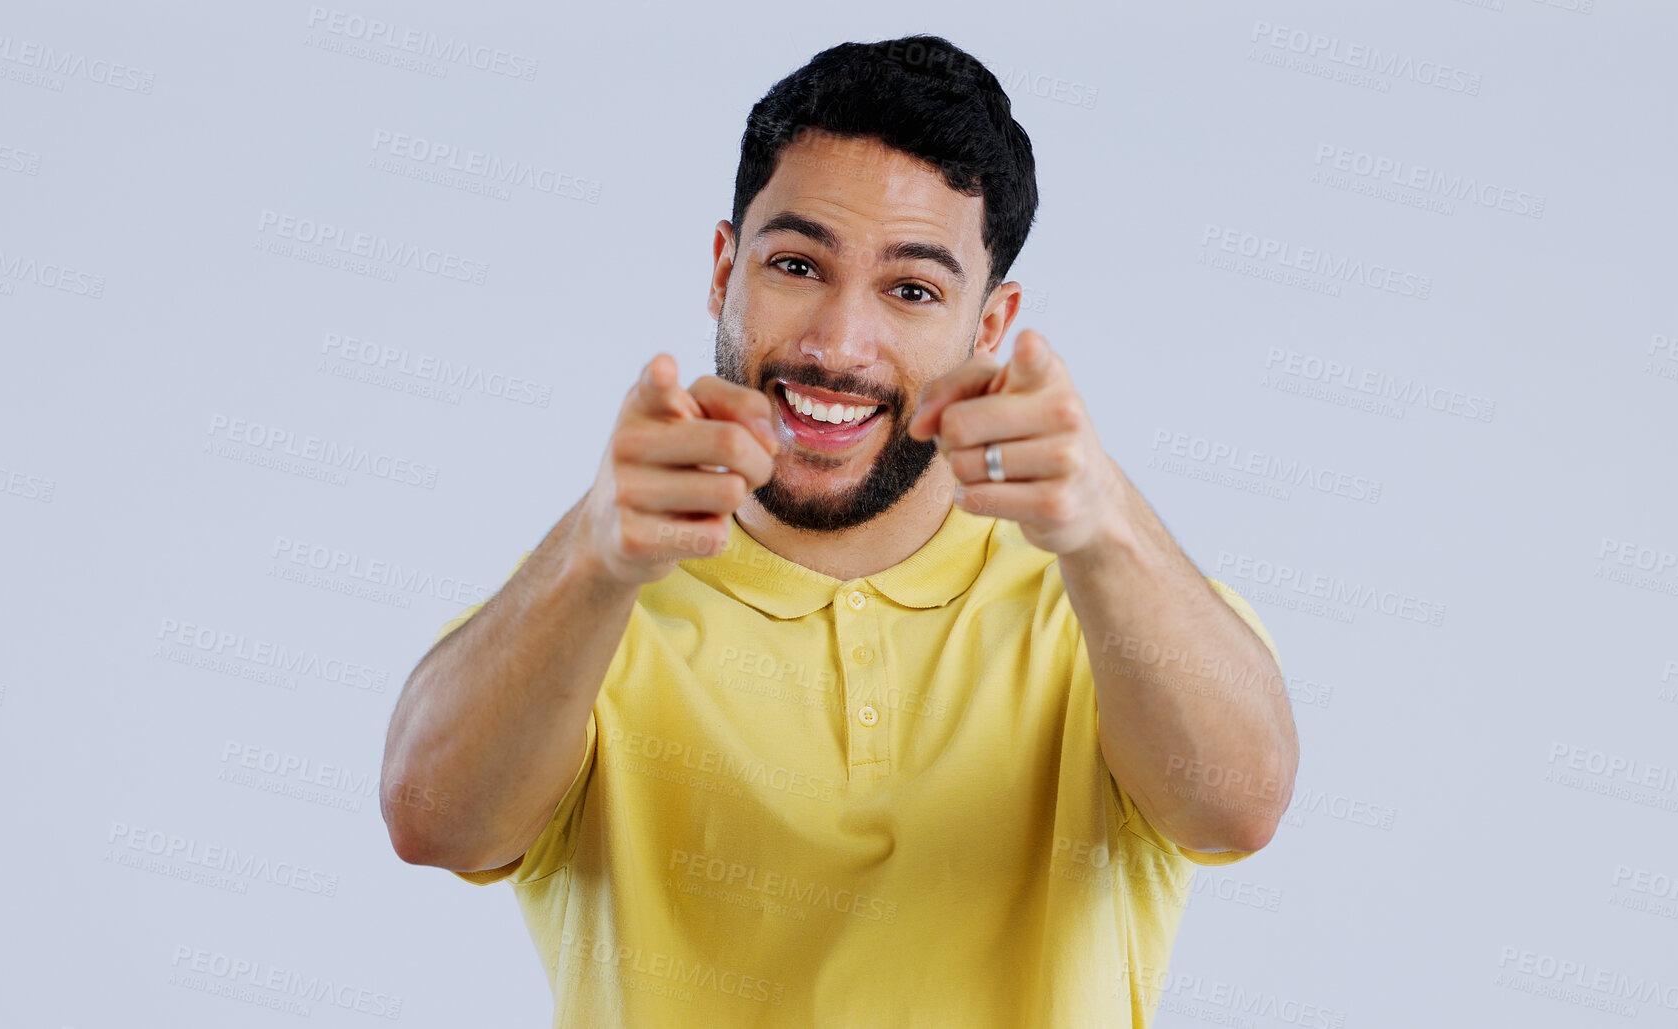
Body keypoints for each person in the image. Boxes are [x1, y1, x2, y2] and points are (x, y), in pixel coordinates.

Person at [380, 33, 1297, 1028]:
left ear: (989, 326)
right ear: (724, 268)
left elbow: (1239, 807)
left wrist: (1106, 526)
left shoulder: (1108, 602)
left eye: (911, 290)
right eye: (796, 265)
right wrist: (592, 559)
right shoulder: (591, 597)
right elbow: (433, 822)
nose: (835, 345)